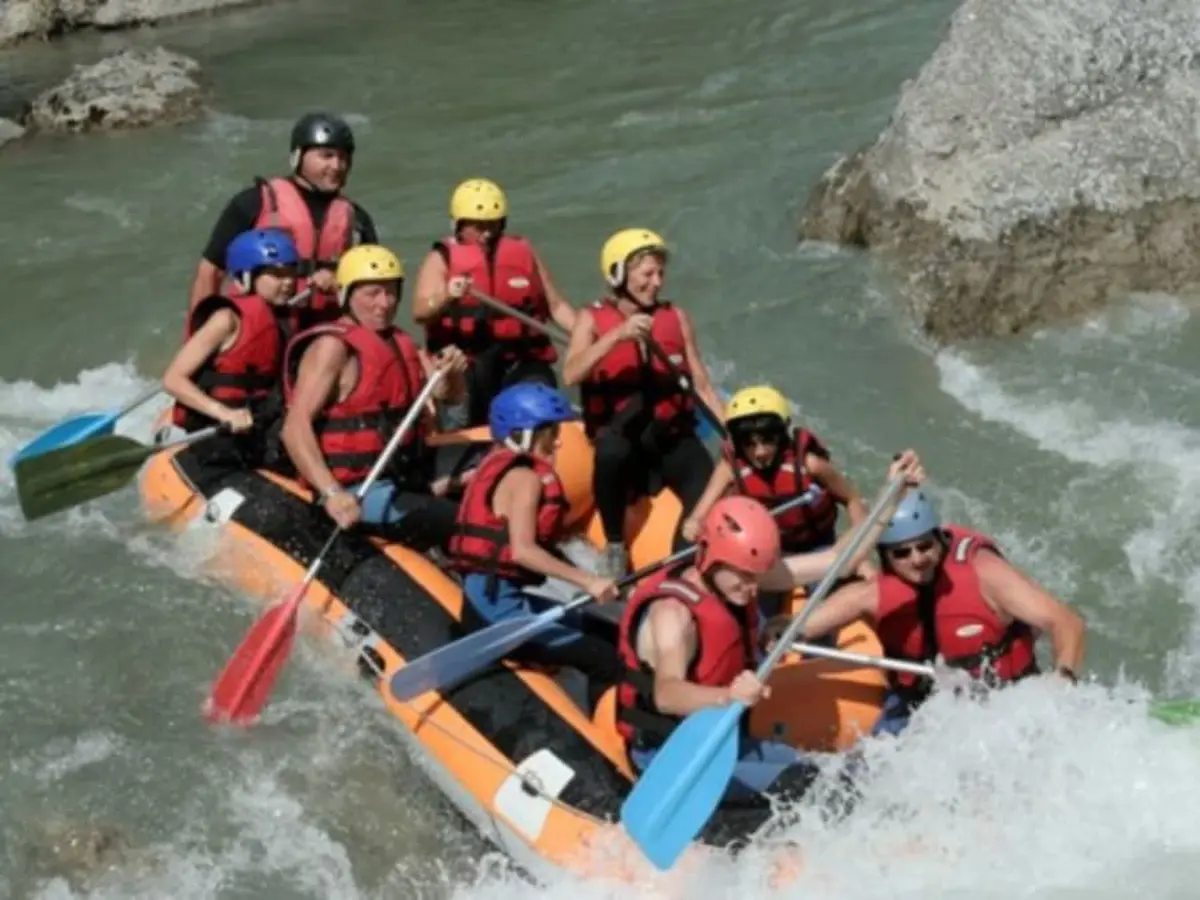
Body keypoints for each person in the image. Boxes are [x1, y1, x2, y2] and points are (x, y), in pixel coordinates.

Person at [616, 453, 925, 805]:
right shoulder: (673, 615)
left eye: (757, 577)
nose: (753, 588)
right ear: (710, 556)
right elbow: (667, 694)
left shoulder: (736, 575)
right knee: (813, 790)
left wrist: (892, 496)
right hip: (670, 756)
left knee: (829, 775)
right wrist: (727, 697)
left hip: (724, 739)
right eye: (745, 577)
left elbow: (839, 561)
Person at [798, 488, 1088, 737]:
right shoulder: (873, 594)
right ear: (886, 557)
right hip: (922, 707)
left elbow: (1067, 623)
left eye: (925, 546)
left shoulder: (986, 574)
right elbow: (803, 626)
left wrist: (1062, 679)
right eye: (902, 553)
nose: (917, 559)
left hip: (1005, 699)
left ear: (939, 540)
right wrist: (784, 631)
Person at [447, 382, 623, 713]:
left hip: (495, 600)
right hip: (495, 616)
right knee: (605, 658)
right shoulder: (526, 479)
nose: (557, 441)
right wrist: (589, 581)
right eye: (549, 433)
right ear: (522, 435)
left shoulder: (492, 464)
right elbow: (523, 551)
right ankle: (610, 732)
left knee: (607, 633)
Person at [280, 244, 468, 552]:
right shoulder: (332, 348)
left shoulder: (400, 340)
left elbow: (447, 397)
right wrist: (332, 493)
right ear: (346, 295)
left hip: (405, 470)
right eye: (373, 293)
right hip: (361, 488)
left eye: (391, 292)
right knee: (467, 521)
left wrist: (453, 373)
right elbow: (294, 427)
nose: (385, 303)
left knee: (495, 465)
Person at [562, 228, 723, 577]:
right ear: (619, 274)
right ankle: (615, 544)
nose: (657, 283)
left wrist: (731, 434)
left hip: (671, 437)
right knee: (610, 452)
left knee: (706, 484)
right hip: (624, 441)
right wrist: (617, 336)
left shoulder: (676, 317)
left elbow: (702, 384)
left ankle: (681, 566)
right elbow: (571, 373)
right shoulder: (591, 318)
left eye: (660, 274)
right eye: (647, 274)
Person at [684, 384, 874, 615]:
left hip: (817, 545)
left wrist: (859, 550)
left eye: (767, 441)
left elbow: (852, 499)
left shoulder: (811, 465)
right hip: (768, 550)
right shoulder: (730, 468)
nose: (760, 452)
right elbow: (700, 513)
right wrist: (694, 524)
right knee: (755, 608)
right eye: (749, 444)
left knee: (824, 603)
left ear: (781, 436)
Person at [187, 112, 377, 330]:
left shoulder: (357, 220)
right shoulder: (253, 202)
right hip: (263, 325)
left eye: (343, 158)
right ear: (298, 156)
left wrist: (337, 281)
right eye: (326, 156)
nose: (337, 166)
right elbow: (211, 272)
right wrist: (198, 334)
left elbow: (374, 287)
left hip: (325, 329)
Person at [413, 178, 577, 426]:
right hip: (466, 363)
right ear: (459, 225)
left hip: (520, 360)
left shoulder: (523, 252)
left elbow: (556, 306)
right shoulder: (441, 258)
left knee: (540, 406)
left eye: (493, 224)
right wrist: (447, 295)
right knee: (460, 415)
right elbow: (420, 312)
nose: (487, 233)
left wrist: (585, 334)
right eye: (478, 226)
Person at [162, 228, 299, 476]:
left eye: (291, 271)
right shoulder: (226, 319)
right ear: (245, 278)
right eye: (276, 274)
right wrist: (224, 413)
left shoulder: (285, 319)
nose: (288, 281)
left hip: (259, 429)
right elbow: (173, 379)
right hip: (216, 432)